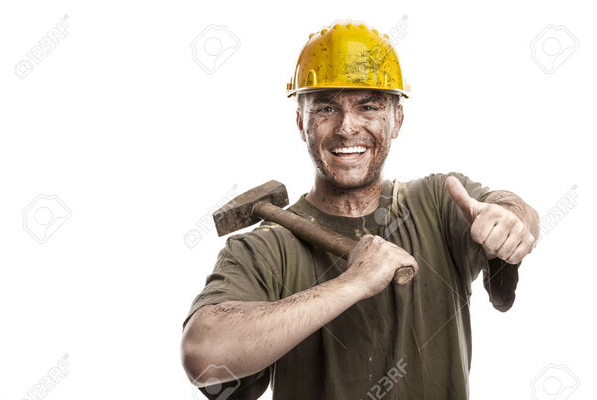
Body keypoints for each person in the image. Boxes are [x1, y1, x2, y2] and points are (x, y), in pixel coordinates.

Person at [180, 21, 539, 400]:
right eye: (326, 108)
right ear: (301, 122)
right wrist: (352, 282)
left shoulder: (437, 201)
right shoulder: (264, 250)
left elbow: (511, 209)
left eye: (368, 106)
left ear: (396, 119)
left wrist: (510, 218)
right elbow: (202, 354)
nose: (347, 127)